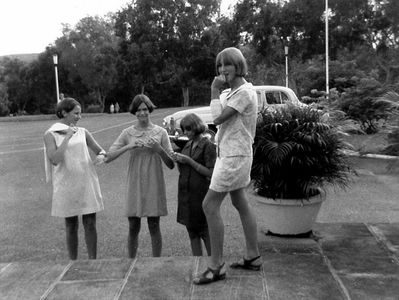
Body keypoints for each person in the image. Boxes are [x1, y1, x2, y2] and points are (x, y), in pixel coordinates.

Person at [193, 47, 261, 285]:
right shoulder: (232, 92)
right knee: (240, 201)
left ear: (238, 65)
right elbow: (221, 123)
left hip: (234, 157)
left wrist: (213, 90)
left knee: (209, 205)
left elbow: (217, 118)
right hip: (231, 154)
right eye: (219, 66)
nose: (222, 70)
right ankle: (252, 256)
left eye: (227, 65)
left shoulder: (243, 93)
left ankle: (216, 266)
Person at [105, 94, 175, 258]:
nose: (142, 113)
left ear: (149, 109)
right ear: (134, 112)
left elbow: (171, 164)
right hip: (135, 180)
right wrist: (128, 146)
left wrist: (159, 149)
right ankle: (131, 260)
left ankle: (156, 261)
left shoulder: (161, 132)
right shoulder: (127, 133)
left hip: (153, 180)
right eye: (138, 110)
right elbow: (109, 156)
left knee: (154, 224)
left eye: (145, 109)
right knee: (133, 225)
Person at [43, 98, 105, 260]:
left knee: (90, 223)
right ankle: (73, 262)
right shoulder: (50, 134)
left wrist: (101, 156)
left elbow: (100, 151)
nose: (79, 117)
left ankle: (93, 261)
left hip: (86, 182)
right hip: (66, 184)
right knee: (71, 225)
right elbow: (55, 159)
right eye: (76, 113)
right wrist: (67, 137)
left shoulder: (83, 132)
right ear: (64, 113)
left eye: (80, 113)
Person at [173, 113, 216, 256]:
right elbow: (183, 170)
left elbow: (210, 173)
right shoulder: (187, 145)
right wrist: (179, 160)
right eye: (184, 129)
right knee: (192, 232)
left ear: (197, 127)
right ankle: (197, 263)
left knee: (205, 231)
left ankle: (213, 262)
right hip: (186, 195)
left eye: (188, 129)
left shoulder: (207, 145)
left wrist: (189, 161)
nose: (185, 132)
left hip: (201, 195)